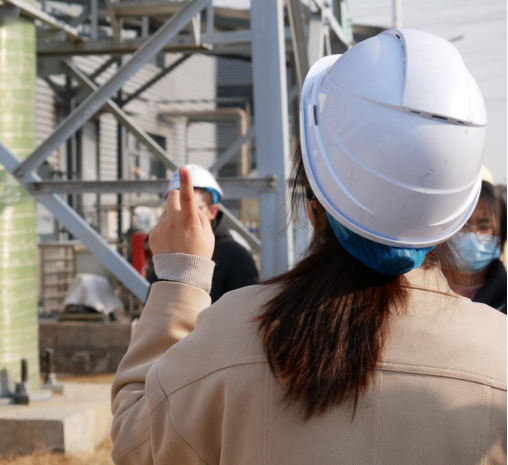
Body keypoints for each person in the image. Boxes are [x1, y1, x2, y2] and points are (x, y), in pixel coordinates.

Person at [111, 29, 506, 464]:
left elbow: (136, 444)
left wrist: (179, 280)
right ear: (454, 211)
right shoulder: (498, 356)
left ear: (314, 201)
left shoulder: (232, 336)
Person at [160, 164, 259, 303]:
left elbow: (246, 310)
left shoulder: (237, 256)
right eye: (177, 209)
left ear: (213, 211)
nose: (184, 215)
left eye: (194, 208)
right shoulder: (164, 251)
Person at [454, 181, 507, 313]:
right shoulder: (416, 290)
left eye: (483, 227)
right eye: (463, 224)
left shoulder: (503, 302)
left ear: (500, 238)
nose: (471, 234)